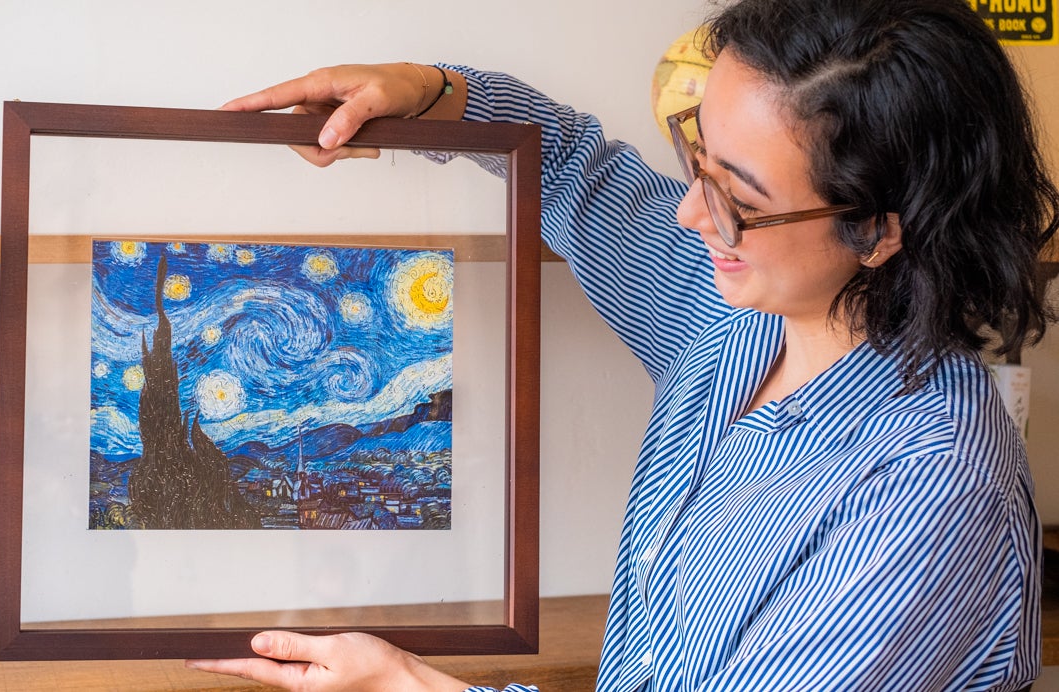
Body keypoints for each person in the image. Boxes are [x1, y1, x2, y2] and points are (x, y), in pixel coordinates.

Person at [187, 0, 1059, 689]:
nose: (690, 213)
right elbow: (572, 168)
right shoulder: (730, 311)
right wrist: (431, 92)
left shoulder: (930, 487)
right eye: (697, 159)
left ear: (879, 230)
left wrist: (408, 684)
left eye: (739, 200)